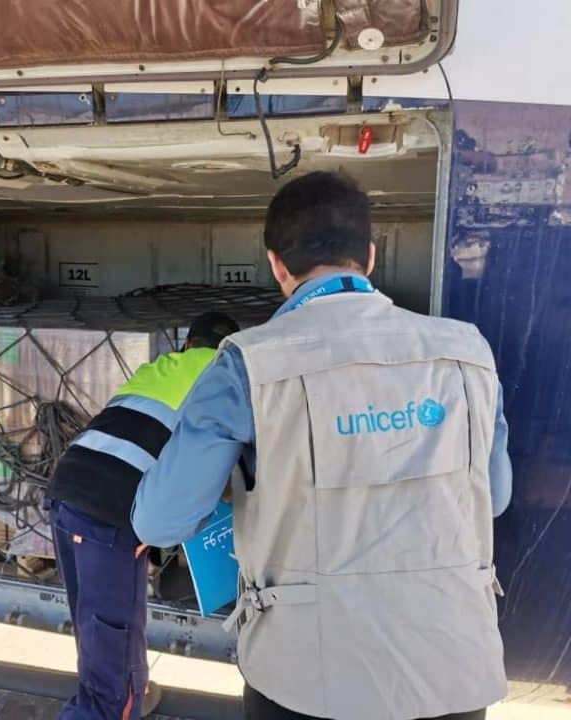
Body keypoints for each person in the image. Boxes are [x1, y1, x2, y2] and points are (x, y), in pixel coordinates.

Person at [132, 171, 513, 720]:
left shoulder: (248, 364)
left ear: (277, 266)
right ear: (371, 257)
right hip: (451, 670)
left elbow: (161, 521)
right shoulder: (468, 353)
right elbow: (493, 498)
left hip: (306, 686)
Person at [45, 311, 240, 720]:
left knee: (95, 626)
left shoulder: (160, 368)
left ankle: (128, 693)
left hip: (66, 489)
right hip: (109, 513)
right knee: (112, 645)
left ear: (188, 343)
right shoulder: (228, 375)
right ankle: (115, 704)